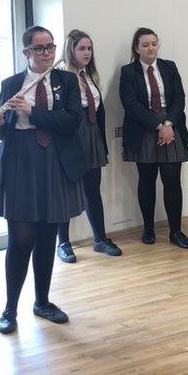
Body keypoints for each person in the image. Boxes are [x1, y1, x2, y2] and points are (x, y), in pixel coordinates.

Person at [0, 26, 86, 333]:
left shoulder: (67, 80)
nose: (47, 53)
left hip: (54, 160)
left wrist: (32, 111)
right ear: (26, 53)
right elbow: (3, 129)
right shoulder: (10, 84)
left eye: (50, 47)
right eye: (40, 48)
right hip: (20, 159)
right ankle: (9, 309)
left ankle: (42, 301)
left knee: (47, 236)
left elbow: (72, 122)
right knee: (20, 239)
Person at [119, 27, 188, 249]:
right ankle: (148, 228)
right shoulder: (128, 72)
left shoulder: (169, 67)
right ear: (137, 48)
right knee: (147, 181)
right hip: (144, 130)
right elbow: (130, 104)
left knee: (172, 181)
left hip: (171, 128)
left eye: (154, 43)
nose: (151, 48)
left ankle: (176, 231)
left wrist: (168, 124)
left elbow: (179, 98)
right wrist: (157, 125)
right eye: (145, 45)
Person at [55, 29, 122, 261]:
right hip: (73, 137)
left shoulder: (91, 76)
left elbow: (100, 113)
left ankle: (100, 239)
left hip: (92, 135)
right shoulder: (62, 77)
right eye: (82, 48)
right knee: (67, 192)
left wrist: (102, 143)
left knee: (93, 190)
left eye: (89, 48)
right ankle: (63, 242)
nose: (87, 53)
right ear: (70, 50)